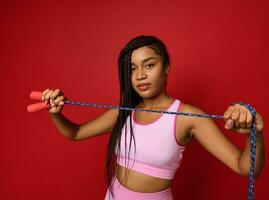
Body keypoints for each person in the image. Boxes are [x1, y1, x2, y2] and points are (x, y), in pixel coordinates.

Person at [41, 35, 265, 200]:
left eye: (149, 65)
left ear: (166, 67)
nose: (140, 76)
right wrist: (56, 114)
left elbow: (246, 168)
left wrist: (255, 134)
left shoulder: (187, 117)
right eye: (132, 69)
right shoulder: (124, 113)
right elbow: (75, 133)